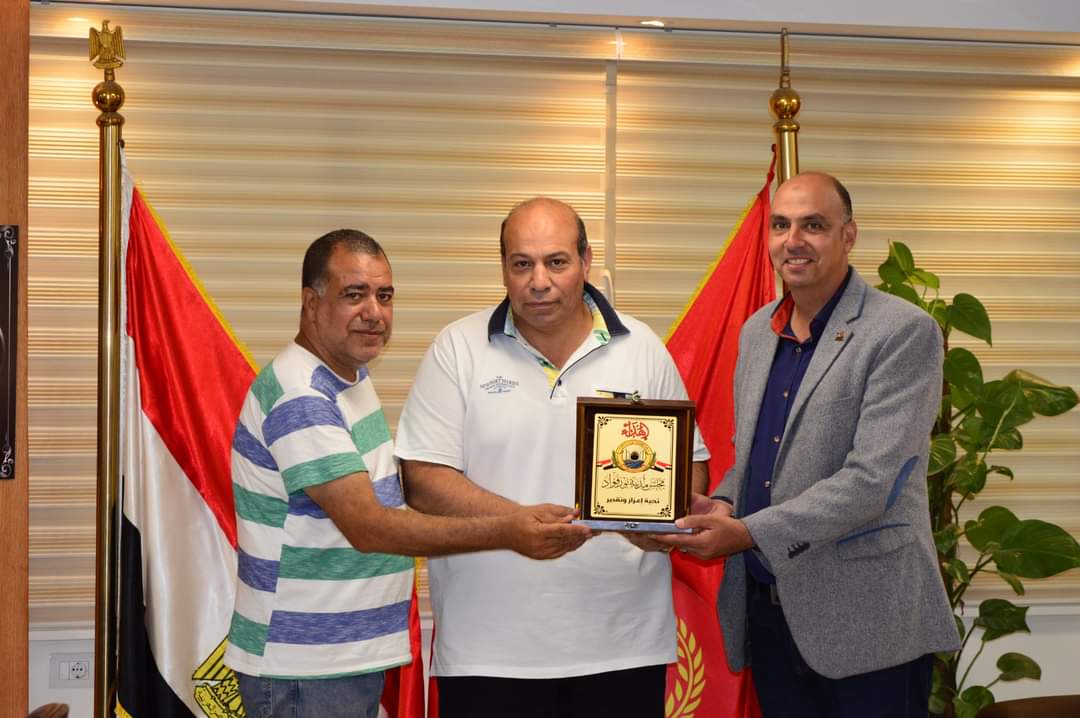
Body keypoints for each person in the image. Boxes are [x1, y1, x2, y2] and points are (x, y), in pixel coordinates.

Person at [225, 229, 592, 718]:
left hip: (338, 658)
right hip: (304, 668)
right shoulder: (302, 395)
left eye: (385, 296)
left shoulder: (347, 378)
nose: (373, 312)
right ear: (311, 304)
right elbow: (369, 527)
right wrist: (509, 530)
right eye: (354, 295)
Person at [655, 172, 960, 717]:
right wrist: (722, 503)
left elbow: (873, 480)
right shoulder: (757, 332)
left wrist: (747, 532)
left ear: (848, 236)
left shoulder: (901, 331)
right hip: (772, 617)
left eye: (813, 225)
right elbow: (753, 457)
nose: (792, 241)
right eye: (781, 225)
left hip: (868, 623)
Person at [394, 197, 710, 718]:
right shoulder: (457, 348)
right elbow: (423, 479)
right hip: (487, 651)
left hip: (623, 646)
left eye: (556, 262)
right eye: (522, 264)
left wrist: (658, 518)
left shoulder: (642, 348)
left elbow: (691, 468)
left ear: (586, 261)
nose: (538, 281)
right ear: (503, 268)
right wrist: (513, 524)